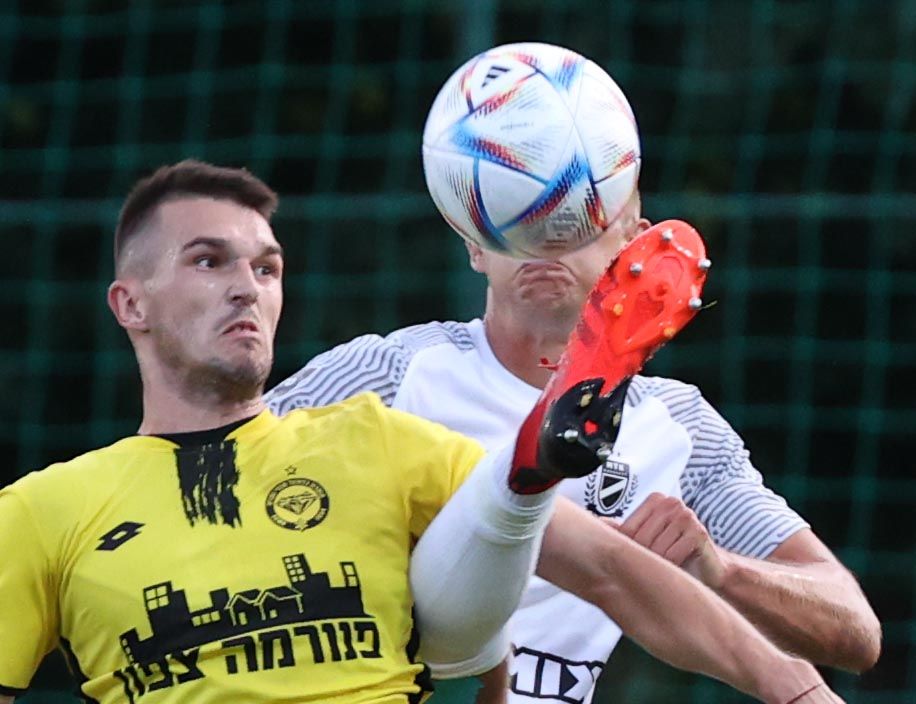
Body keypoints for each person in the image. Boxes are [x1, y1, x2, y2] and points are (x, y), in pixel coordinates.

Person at [0, 159, 628, 704]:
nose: (247, 289)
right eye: (208, 261)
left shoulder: (378, 439)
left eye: (266, 270)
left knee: (492, 548)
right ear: (130, 304)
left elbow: (608, 573)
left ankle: (528, 473)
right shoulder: (41, 511)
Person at [266, 189, 880, 703]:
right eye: (514, 215)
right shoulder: (390, 374)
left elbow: (853, 629)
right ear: (474, 244)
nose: (544, 239)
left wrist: (723, 571)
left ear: (634, 243)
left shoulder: (678, 427)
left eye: (576, 219)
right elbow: (215, 469)